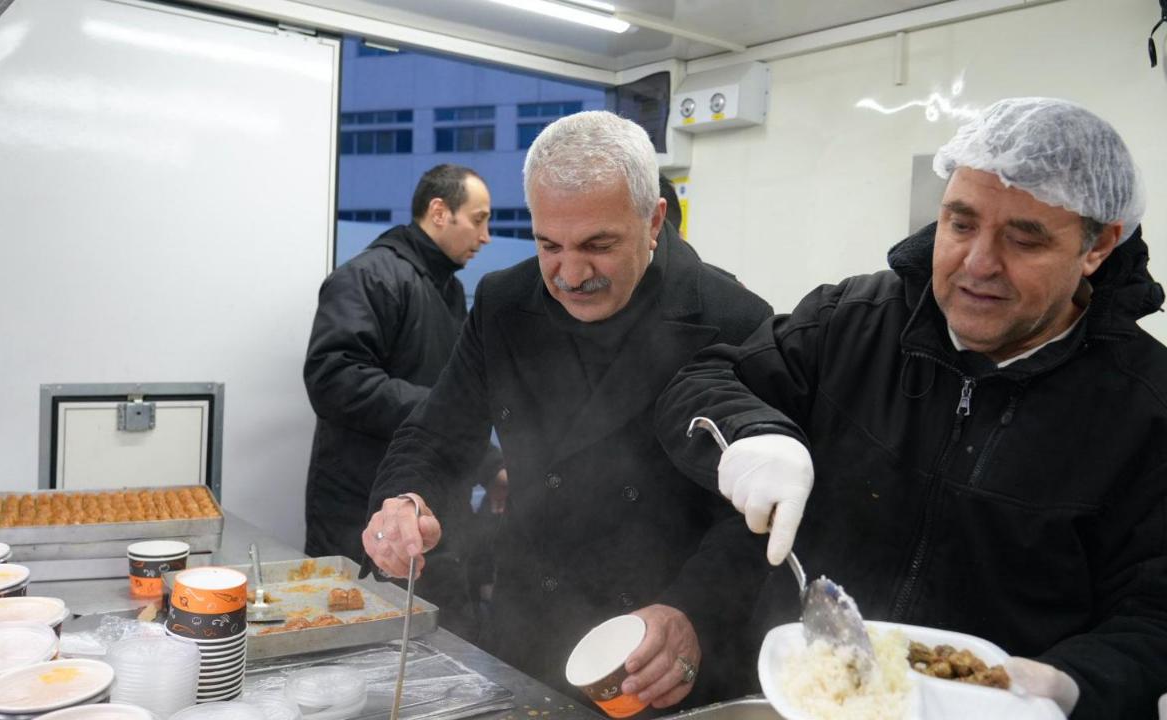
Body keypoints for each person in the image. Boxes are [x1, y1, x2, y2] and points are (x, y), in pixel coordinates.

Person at [656, 98, 1167, 718]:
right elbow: (704, 380)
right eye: (960, 223)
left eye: (1024, 238)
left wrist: (1069, 683)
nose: (978, 264)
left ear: (1098, 246)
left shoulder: (1145, 406)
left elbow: (1153, 614)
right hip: (811, 698)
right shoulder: (853, 320)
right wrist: (754, 432)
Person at [362, 111, 774, 711]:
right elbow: (437, 434)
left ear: (654, 219)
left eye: (598, 246)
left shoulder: (733, 318)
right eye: (548, 244)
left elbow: (755, 513)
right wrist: (407, 499)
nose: (571, 274)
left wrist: (695, 612)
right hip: (531, 627)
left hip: (659, 649)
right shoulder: (505, 304)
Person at [303, 164, 500, 636]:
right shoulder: (369, 277)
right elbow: (333, 377)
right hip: (362, 509)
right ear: (439, 212)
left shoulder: (447, 290)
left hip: (427, 509)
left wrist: (489, 463)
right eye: (479, 218)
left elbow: (455, 397)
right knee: (361, 647)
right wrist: (440, 414)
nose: (487, 236)